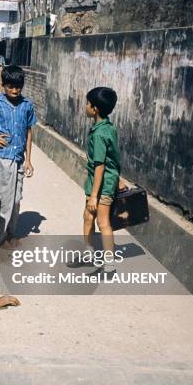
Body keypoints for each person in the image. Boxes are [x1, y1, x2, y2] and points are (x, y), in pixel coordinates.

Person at [0, 66, 36, 249]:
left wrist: (28, 160)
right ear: (3, 85)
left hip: (19, 157)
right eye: (10, 86)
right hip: (1, 157)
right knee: (3, 198)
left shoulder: (27, 105)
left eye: (18, 87)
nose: (14, 90)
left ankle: (11, 232)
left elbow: (29, 132)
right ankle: (0, 236)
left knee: (17, 198)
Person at [83, 87, 124, 273]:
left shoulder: (99, 134)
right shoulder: (106, 127)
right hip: (101, 181)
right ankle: (89, 253)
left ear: (95, 108)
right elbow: (112, 157)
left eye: (88, 103)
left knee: (103, 222)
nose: (85, 106)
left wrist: (94, 196)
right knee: (87, 217)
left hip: (101, 184)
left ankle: (109, 264)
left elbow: (100, 166)